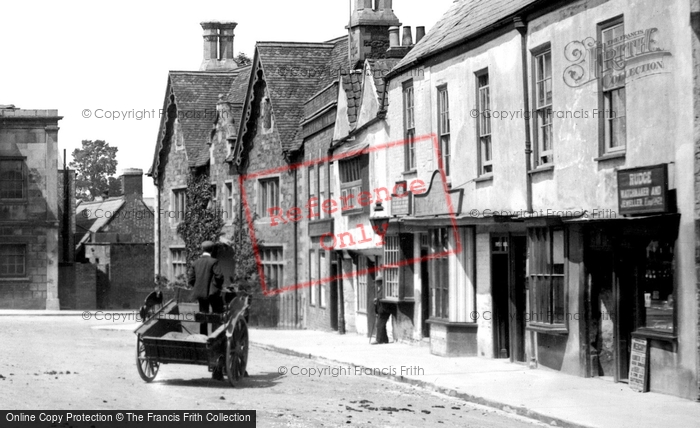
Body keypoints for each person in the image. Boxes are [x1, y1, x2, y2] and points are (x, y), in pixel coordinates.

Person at [187, 240, 224, 336]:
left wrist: (198, 286)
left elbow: (190, 279)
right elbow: (219, 276)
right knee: (216, 315)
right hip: (212, 294)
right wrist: (215, 286)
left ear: (202, 250)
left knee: (203, 315)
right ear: (212, 250)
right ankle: (215, 336)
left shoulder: (196, 262)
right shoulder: (214, 261)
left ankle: (203, 337)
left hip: (200, 293)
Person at [372, 275, 392, 344]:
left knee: (379, 325)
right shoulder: (380, 288)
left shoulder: (384, 289)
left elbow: (383, 298)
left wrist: (376, 299)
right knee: (381, 325)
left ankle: (379, 340)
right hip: (381, 309)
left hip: (384, 309)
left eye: (377, 282)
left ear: (379, 282)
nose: (376, 284)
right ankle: (385, 340)